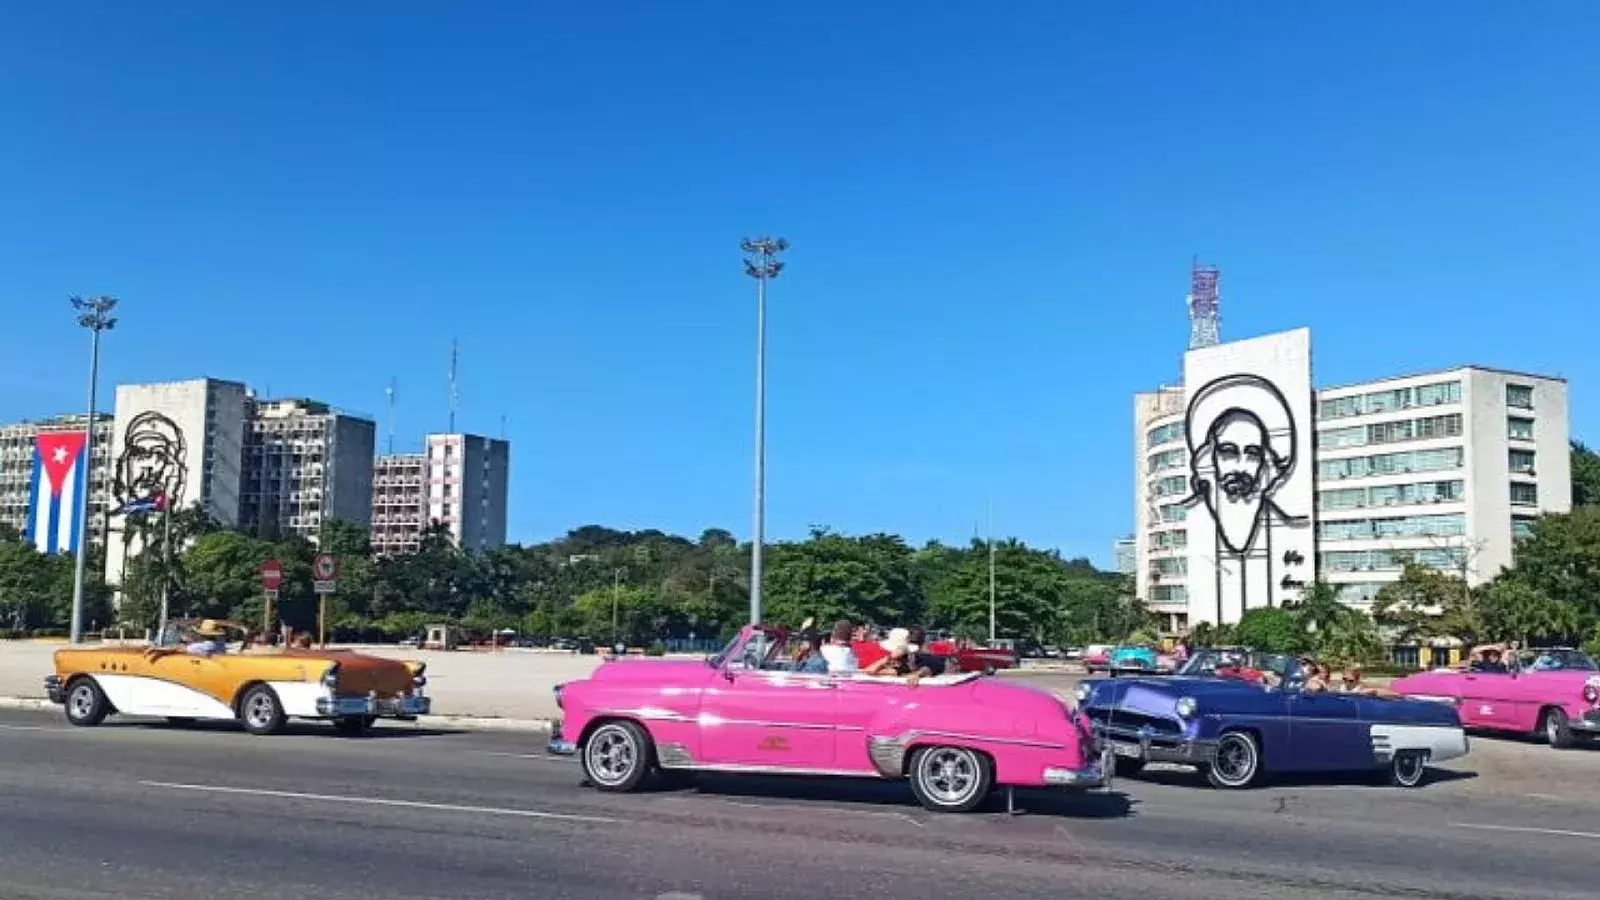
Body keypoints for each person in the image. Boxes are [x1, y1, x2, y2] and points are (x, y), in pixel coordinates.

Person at [864, 628, 934, 687]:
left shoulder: (925, 659)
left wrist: (917, 674)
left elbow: (928, 668)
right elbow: (869, 671)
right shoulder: (902, 668)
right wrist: (889, 657)